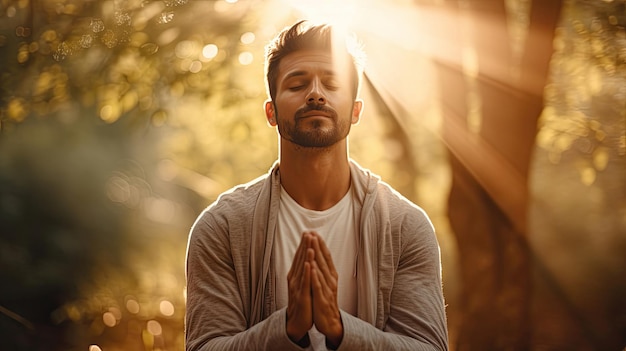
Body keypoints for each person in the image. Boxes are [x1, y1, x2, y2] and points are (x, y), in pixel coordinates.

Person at [185, 20, 449, 351]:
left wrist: (341, 330)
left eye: (331, 83)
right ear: (271, 111)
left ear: (355, 111)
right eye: (297, 85)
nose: (315, 93)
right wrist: (286, 329)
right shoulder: (222, 227)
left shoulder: (404, 226)